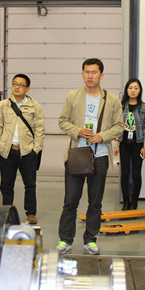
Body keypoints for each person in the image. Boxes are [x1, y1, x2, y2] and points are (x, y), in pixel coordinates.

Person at [56, 58, 124, 255]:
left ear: (101, 75)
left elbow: (119, 126)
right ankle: (65, 239)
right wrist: (77, 131)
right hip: (77, 154)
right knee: (70, 200)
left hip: (100, 156)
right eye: (87, 72)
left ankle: (90, 239)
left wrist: (102, 136)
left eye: (94, 72)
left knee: (95, 201)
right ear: (82, 74)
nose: (90, 76)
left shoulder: (112, 99)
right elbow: (62, 121)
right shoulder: (73, 96)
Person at [0, 74, 45, 224]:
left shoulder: (34, 106)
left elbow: (40, 128)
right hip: (7, 151)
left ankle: (31, 212)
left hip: (27, 151)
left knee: (30, 184)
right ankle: (7, 212)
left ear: (27, 89)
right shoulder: (3, 105)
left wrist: (36, 149)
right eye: (15, 83)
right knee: (6, 185)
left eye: (21, 84)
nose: (17, 87)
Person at [113, 78, 145, 210]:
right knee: (124, 173)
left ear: (140, 90)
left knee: (136, 174)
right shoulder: (121, 106)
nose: (133, 91)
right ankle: (126, 201)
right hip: (124, 143)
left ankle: (134, 201)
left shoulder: (144, 107)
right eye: (130, 88)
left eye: (136, 88)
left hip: (138, 144)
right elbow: (118, 126)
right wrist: (116, 144)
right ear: (126, 90)